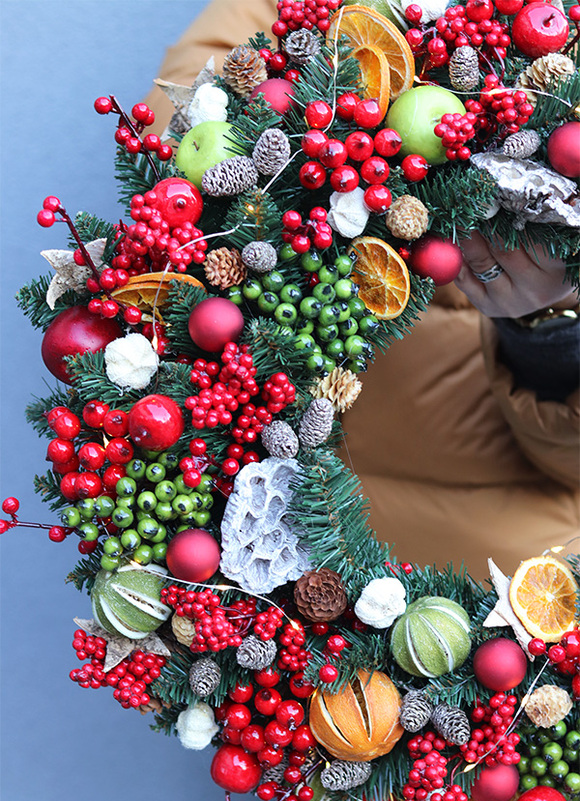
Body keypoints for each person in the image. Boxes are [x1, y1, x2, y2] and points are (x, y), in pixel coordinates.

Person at [144, 0, 580, 581]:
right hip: (244, 500)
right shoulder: (282, 15)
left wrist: (553, 325)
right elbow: (178, 155)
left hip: (489, 539)